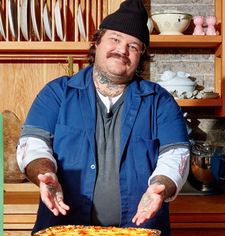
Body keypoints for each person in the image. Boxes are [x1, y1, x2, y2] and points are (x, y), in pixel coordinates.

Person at [16, 0, 190, 235]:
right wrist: (44, 173)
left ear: (141, 57)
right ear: (97, 42)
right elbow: (33, 143)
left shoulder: (160, 101)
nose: (122, 50)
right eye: (115, 39)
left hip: (139, 229)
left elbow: (176, 154)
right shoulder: (57, 93)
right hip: (63, 228)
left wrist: (161, 184)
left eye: (133, 46)